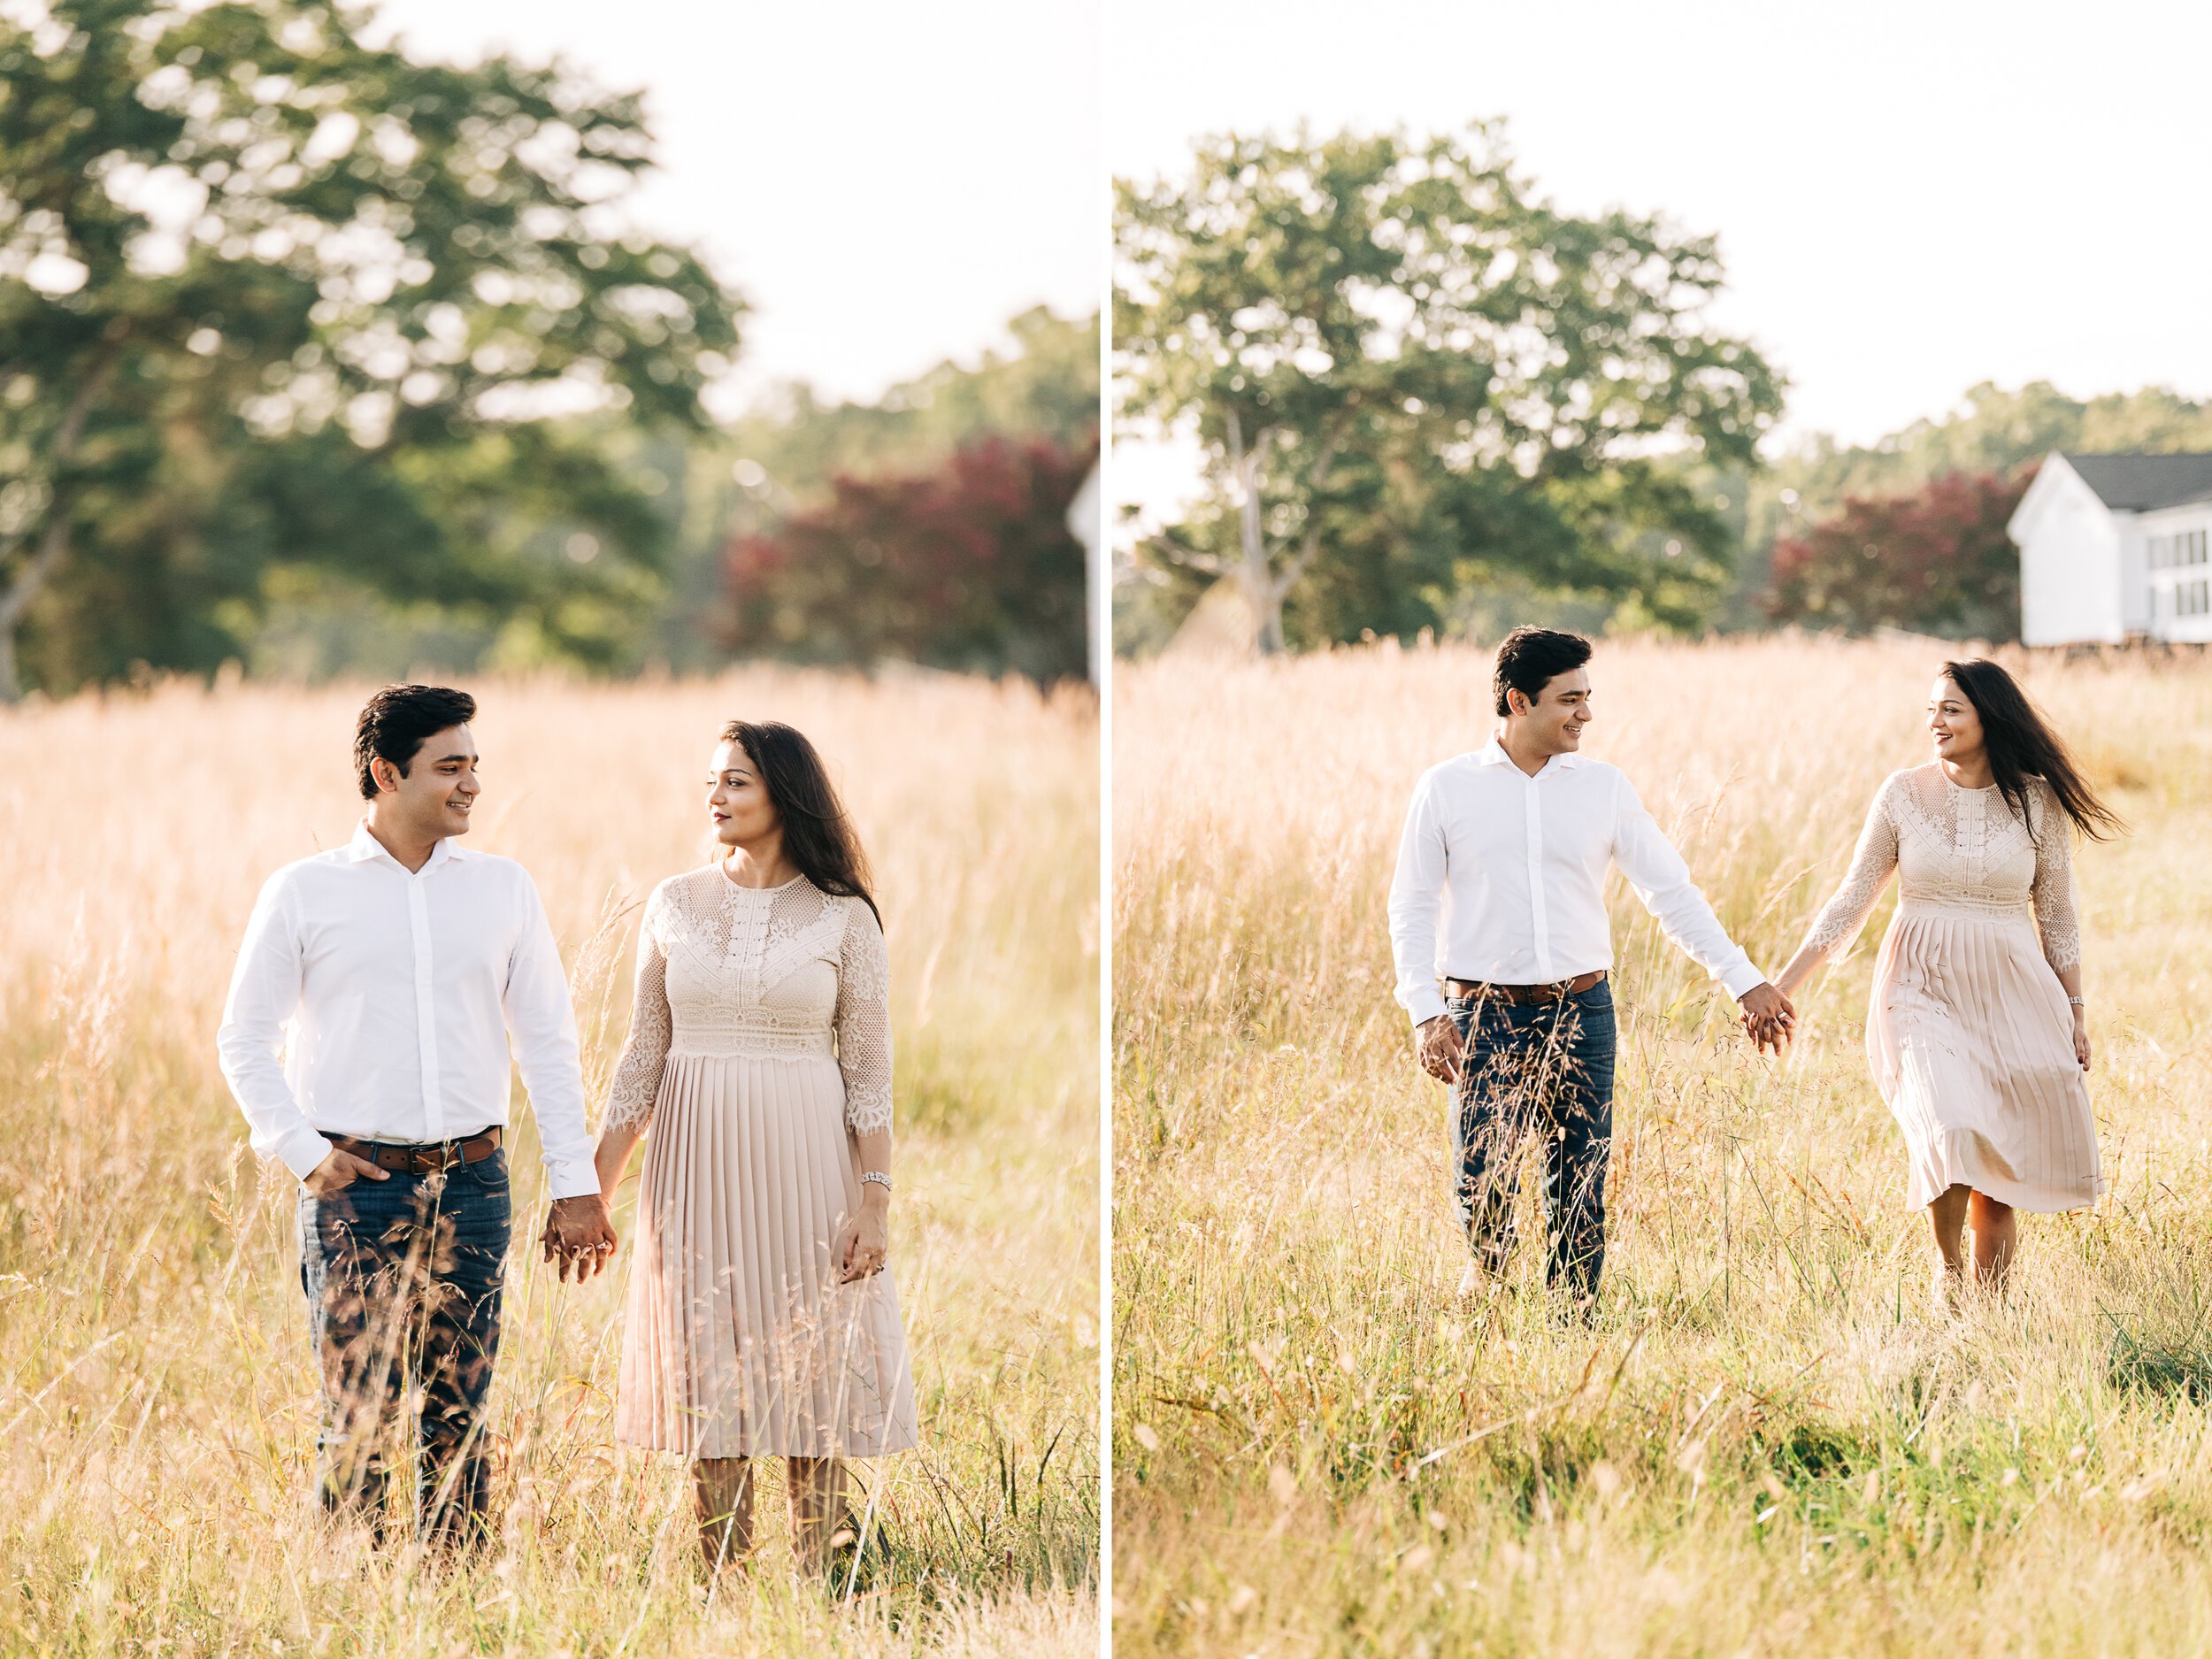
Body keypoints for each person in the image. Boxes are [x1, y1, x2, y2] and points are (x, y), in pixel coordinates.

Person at [215, 685, 615, 1545]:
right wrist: (301, 1152)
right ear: (385, 772)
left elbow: (548, 1044)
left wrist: (577, 1188)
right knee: (356, 1415)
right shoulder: (302, 892)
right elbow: (242, 1038)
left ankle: (450, 1599)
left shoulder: (504, 890)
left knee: (458, 1420)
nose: (472, 784)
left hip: (473, 1187)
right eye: (450, 767)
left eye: (475, 766)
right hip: (353, 1192)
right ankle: (353, 1602)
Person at [577, 719, 917, 1575]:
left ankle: (820, 1587)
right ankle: (720, 1584)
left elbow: (870, 1072)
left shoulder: (845, 919)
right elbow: (640, 1056)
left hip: (809, 1166)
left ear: (784, 793)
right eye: (712, 781)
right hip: (693, 1166)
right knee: (707, 1377)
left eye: (735, 781)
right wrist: (593, 1192)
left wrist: (872, 1200)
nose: (715, 797)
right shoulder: (673, 901)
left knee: (815, 1378)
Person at [1387, 627, 1793, 1311]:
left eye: (1587, 696)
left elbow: (1671, 892)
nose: (1586, 714)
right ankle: (1487, 1282)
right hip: (1482, 1014)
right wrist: (1425, 1011)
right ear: (1519, 700)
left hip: (1583, 1008)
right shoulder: (1446, 788)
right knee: (1482, 1174)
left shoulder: (1604, 788)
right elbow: (1412, 906)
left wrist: (1744, 979)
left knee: (1580, 1173)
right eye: (1569, 699)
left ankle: (1576, 1311)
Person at [1769, 660, 2118, 1300]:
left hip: (2014, 992)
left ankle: (1989, 1314)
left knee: (1999, 1161)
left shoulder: (2038, 802)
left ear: (1990, 715)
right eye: (1931, 708)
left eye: (1951, 709)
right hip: (1920, 985)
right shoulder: (1901, 793)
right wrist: (1783, 984)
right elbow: (1852, 899)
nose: (1935, 721)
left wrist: (2076, 1010)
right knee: (1950, 1123)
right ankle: (1948, 1275)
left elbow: (2059, 914)